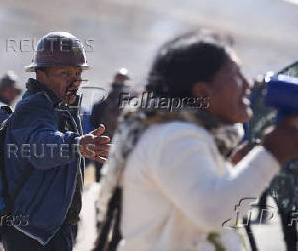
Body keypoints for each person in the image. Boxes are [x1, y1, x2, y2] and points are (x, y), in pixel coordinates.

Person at [99, 31, 298, 250]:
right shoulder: (174, 137)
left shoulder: (181, 135)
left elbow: (197, 200)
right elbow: (213, 212)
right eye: (235, 73)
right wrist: (271, 154)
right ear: (203, 92)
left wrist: (234, 172)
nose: (247, 83)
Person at [1, 32, 111, 251]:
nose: (75, 81)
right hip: (31, 233)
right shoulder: (34, 107)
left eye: (78, 73)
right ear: (41, 75)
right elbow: (40, 146)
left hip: (52, 229)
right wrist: (76, 144)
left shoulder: (63, 107)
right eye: (64, 73)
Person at [90, 68, 130, 181]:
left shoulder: (100, 104)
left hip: (103, 145)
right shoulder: (132, 106)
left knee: (100, 182)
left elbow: (93, 122)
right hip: (123, 148)